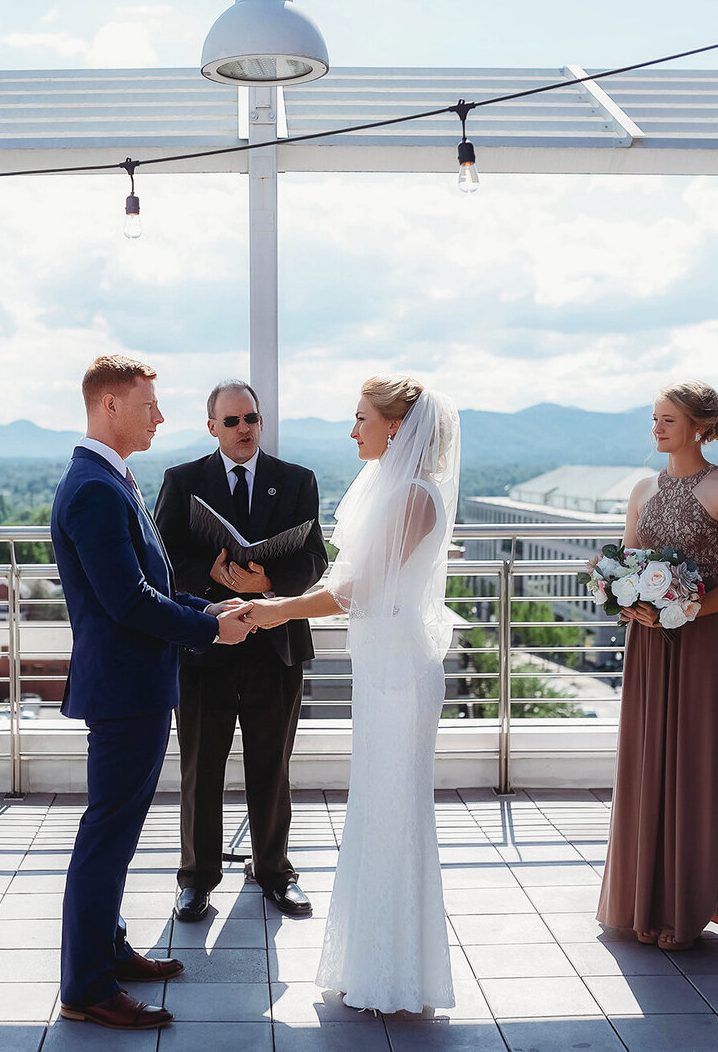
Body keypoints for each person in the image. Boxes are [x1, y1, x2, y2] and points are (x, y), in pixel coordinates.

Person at [243, 375, 460, 1014]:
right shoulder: (399, 491)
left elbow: (355, 591)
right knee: (376, 807)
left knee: (394, 810)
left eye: (360, 416)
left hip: (399, 673)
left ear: (395, 426)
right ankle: (376, 964)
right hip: (383, 665)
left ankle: (395, 971)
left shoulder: (412, 497)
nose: (352, 428)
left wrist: (274, 610)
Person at [52, 355, 255, 1031]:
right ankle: (85, 984)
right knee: (107, 837)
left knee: (117, 833)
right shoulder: (93, 489)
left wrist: (212, 608)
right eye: (150, 404)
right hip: (124, 689)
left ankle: (107, 951)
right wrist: (207, 631)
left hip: (136, 684)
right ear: (110, 406)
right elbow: (127, 600)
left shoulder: (111, 479)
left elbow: (153, 583)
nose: (161, 417)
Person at [154, 380, 329, 922]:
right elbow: (161, 560)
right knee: (200, 767)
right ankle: (196, 878)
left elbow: (315, 560)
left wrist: (267, 581)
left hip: (274, 646)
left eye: (250, 418)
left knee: (272, 766)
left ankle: (275, 872)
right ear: (212, 427)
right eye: (230, 421)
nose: (244, 428)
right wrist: (207, 575)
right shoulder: (181, 482)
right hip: (206, 647)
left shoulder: (297, 481)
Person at [596, 380, 718, 950]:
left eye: (668, 419)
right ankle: (647, 901)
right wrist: (630, 601)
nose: (657, 428)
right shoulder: (642, 489)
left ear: (699, 426)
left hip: (703, 644)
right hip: (649, 646)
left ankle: (688, 907)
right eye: (655, 418)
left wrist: (686, 611)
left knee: (697, 765)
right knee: (648, 763)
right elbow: (624, 567)